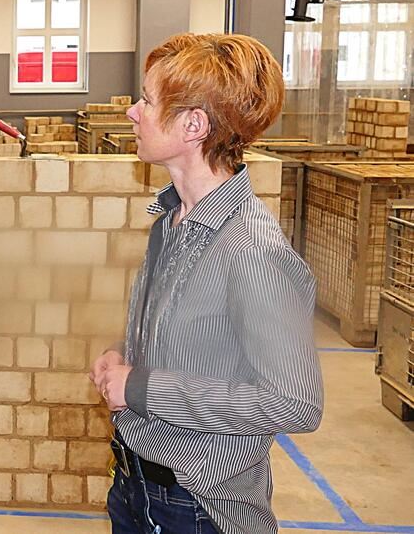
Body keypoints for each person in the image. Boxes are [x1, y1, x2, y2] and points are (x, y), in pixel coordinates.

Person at [90, 33, 323, 534]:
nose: (132, 112)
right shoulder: (171, 221)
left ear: (193, 125)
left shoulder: (251, 251)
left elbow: (295, 403)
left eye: (147, 101)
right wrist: (121, 352)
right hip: (133, 483)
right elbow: (190, 337)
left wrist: (142, 387)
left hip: (195, 507)